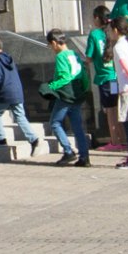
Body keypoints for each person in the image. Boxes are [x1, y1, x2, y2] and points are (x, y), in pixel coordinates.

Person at [42, 30, 96, 166]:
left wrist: (51, 86)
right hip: (77, 93)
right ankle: (84, 157)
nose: (51, 49)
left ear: (54, 43)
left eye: (50, 45)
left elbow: (65, 77)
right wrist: (84, 88)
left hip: (66, 94)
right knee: (77, 126)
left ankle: (68, 151)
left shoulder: (61, 56)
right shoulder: (75, 54)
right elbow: (83, 73)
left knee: (55, 122)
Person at [0, 35, 34, 158]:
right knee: (20, 116)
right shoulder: (9, 59)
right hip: (17, 93)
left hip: (5, 93)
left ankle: (1, 139)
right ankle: (34, 139)